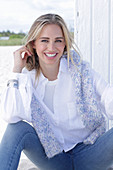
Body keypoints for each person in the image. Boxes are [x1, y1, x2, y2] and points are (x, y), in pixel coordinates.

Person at [0, 13, 113, 170]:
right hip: (53, 157)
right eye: (44, 41)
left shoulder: (82, 71)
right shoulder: (26, 79)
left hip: (90, 154)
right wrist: (16, 70)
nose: (51, 48)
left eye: (58, 41)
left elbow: (108, 97)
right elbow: (10, 115)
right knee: (15, 129)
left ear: (65, 44)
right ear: (33, 44)